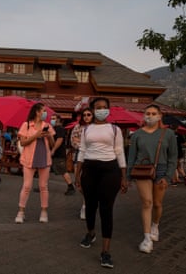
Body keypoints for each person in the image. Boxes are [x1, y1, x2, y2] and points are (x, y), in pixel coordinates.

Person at [74, 97, 127, 269]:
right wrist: (77, 175)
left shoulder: (115, 129)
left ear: (109, 110)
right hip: (89, 169)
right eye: (98, 107)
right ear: (92, 109)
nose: (102, 110)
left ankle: (105, 252)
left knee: (106, 209)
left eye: (105, 107)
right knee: (90, 206)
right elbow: (82, 151)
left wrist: (124, 176)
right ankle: (90, 233)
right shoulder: (86, 129)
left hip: (110, 171)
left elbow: (120, 152)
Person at [127, 104, 178, 254]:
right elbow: (131, 157)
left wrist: (168, 176)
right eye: (147, 113)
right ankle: (147, 238)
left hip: (162, 170)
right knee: (147, 202)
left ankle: (155, 224)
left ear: (160, 116)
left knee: (157, 203)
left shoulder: (167, 134)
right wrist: (128, 177)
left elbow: (173, 157)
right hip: (142, 170)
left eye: (153, 113)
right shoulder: (136, 135)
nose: (150, 116)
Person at [15, 103, 55, 223]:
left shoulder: (47, 125)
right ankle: (21, 211)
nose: (45, 113)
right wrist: (36, 135)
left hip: (44, 158)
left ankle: (44, 211)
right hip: (29, 159)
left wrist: (48, 136)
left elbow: (52, 145)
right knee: (27, 186)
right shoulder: (26, 125)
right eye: (43, 111)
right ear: (37, 112)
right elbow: (22, 143)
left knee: (43, 186)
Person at [70, 108, 94, 220]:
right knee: (79, 183)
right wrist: (84, 145)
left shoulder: (96, 128)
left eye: (89, 114)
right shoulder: (77, 127)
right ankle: (87, 201)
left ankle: (85, 206)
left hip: (92, 158)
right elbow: (73, 141)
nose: (86, 116)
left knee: (88, 183)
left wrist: (82, 143)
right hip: (79, 156)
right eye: (84, 115)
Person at [50, 114, 76, 196]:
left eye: (54, 118)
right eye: (51, 118)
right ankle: (42, 186)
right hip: (52, 153)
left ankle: (70, 186)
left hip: (59, 153)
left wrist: (53, 149)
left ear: (58, 120)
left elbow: (59, 140)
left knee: (62, 170)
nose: (52, 120)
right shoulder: (53, 129)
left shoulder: (60, 129)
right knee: (45, 169)